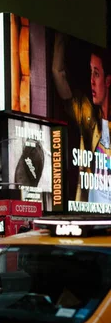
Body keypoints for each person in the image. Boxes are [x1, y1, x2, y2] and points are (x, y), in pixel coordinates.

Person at [52, 33, 111, 203]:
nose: (92, 80)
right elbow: (57, 73)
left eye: (97, 74)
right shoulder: (87, 113)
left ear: (108, 81)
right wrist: (60, 32)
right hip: (88, 214)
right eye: (90, 72)